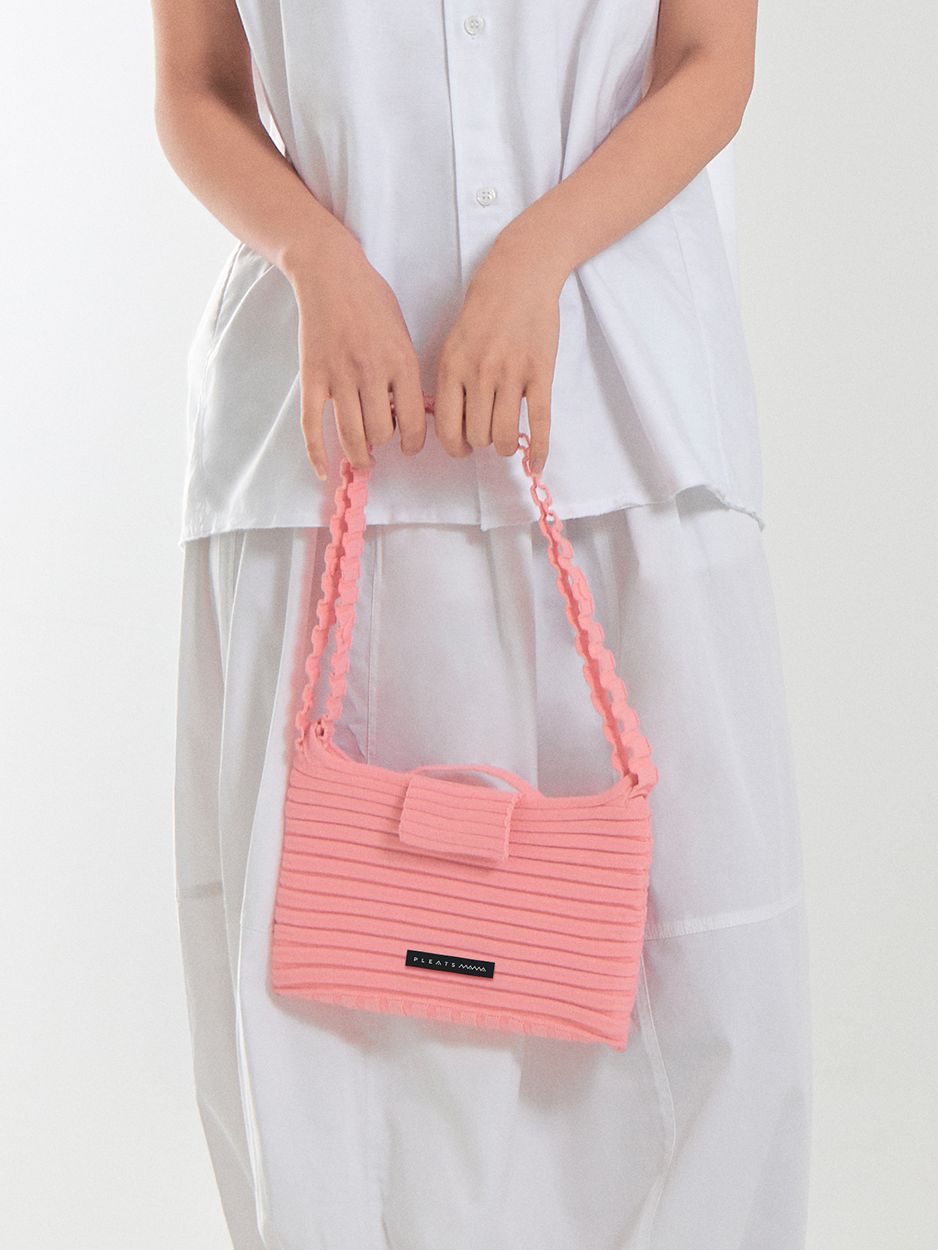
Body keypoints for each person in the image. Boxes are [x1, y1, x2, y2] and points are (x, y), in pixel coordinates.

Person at [152, 1, 812, 1247]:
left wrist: (535, 254)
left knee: (705, 976)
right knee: (339, 1020)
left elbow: (709, 60)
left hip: (629, 415)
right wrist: (312, 255)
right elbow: (195, 87)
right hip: (324, 431)